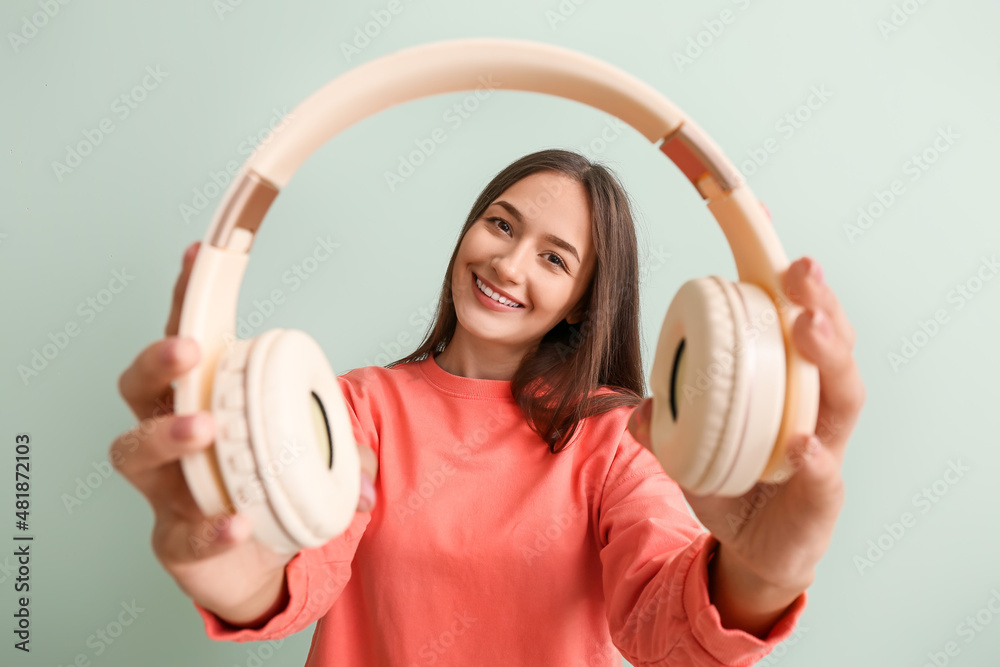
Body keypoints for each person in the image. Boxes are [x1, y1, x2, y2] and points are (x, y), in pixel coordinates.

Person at [113, 148, 865, 666]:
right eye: (501, 224)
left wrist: (761, 579)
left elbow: (662, 625)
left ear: (580, 304)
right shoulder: (360, 405)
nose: (507, 263)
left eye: (554, 256)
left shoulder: (618, 438)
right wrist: (225, 562)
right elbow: (294, 577)